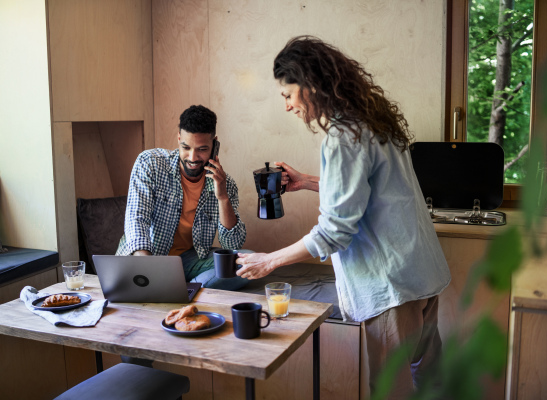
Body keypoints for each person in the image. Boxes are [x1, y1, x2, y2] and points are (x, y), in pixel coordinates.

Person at [235, 36, 451, 398]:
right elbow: (372, 192)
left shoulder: (342, 137)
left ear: (312, 86)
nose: (287, 107)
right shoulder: (373, 121)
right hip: (419, 276)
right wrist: (306, 182)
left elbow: (334, 234)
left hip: (391, 289)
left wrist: (268, 261)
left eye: (288, 95)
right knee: (431, 384)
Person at [116, 104, 247, 290]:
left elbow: (232, 244)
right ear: (178, 138)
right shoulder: (150, 163)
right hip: (147, 257)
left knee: (246, 261)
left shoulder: (225, 184)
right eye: (186, 147)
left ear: (215, 145)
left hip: (187, 260)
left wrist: (223, 197)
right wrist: (149, 272)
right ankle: (186, 289)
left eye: (202, 149)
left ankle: (184, 290)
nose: (192, 157)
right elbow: (136, 221)